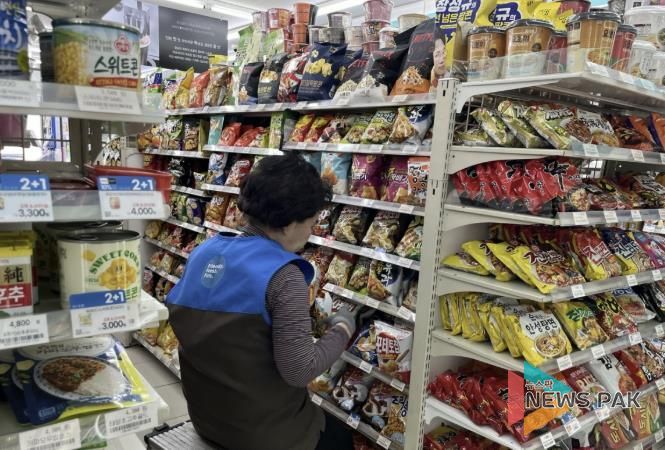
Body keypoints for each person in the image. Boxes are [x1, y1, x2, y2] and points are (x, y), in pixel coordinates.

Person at [166, 153, 355, 450]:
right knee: (340, 437)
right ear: (289, 223)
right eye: (311, 223)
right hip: (263, 435)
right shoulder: (284, 276)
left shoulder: (204, 252)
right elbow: (299, 370)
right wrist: (343, 329)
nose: (310, 233)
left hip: (207, 420)